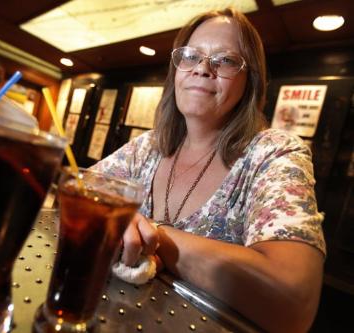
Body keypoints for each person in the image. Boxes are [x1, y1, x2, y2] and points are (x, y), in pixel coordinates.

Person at [92, 8, 325, 333]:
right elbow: (78, 193)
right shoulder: (148, 146)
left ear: (250, 79)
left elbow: (292, 301)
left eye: (225, 60)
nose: (202, 68)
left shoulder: (273, 152)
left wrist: (155, 236)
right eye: (190, 56)